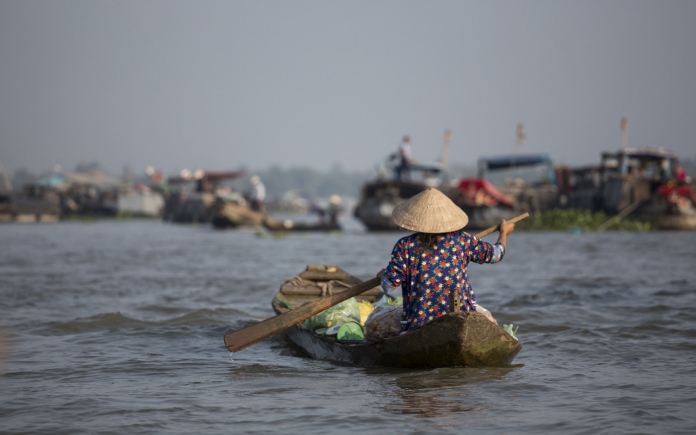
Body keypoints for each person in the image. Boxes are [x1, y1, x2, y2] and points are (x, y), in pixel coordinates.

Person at [380, 187, 515, 332]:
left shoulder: (405, 245)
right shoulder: (463, 240)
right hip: (461, 318)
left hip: (418, 323)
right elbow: (496, 254)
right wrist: (504, 234)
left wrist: (383, 276)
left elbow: (389, 286)